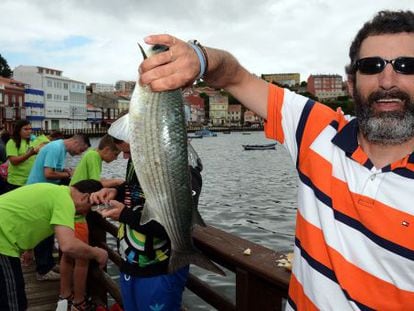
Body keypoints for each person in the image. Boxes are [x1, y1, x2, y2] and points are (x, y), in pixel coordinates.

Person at [138, 10, 414, 310]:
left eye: (407, 66)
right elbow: (234, 76)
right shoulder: (316, 130)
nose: (388, 80)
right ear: (351, 83)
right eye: (371, 66)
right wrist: (198, 57)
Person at [90, 114, 203, 310]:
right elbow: (137, 190)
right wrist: (116, 191)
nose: (125, 156)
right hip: (131, 264)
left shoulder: (183, 170)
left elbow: (175, 223)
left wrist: (124, 215)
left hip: (161, 268)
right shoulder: (138, 160)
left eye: (128, 150)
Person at [0, 179, 108, 311]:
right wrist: (98, 253)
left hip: (5, 237)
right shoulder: (65, 201)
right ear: (85, 197)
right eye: (90, 209)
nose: (86, 214)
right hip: (3, 242)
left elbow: (30, 214)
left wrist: (28, 249)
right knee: (14, 301)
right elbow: (68, 245)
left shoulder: (57, 192)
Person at [59, 134, 123, 311]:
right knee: (82, 259)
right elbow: (97, 183)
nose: (116, 158)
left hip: (69, 209)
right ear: (108, 149)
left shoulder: (90, 156)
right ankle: (79, 301)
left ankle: (64, 295)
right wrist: (118, 182)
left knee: (67, 257)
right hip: (78, 213)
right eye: (116, 155)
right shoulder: (94, 156)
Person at [26, 134, 90, 282]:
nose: (80, 153)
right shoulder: (56, 148)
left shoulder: (60, 149)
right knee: (44, 231)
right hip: (39, 194)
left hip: (44, 193)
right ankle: (43, 270)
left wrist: (65, 171)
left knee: (48, 230)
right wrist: (67, 173)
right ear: (75, 142)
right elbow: (48, 173)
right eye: (81, 149)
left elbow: (53, 171)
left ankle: (47, 263)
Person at [5, 120, 43, 192]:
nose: (29, 131)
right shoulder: (12, 142)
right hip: (16, 182)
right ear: (18, 130)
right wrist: (29, 154)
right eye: (25, 129)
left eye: (30, 129)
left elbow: (47, 142)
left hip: (31, 180)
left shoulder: (32, 141)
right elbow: (14, 161)